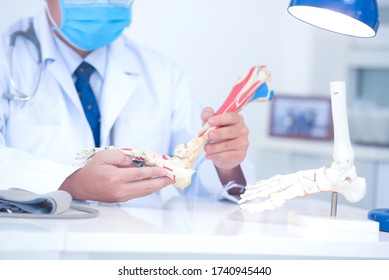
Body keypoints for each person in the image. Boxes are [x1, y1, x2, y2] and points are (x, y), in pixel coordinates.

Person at [0, 0, 256, 203]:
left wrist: (227, 165)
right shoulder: (7, 59)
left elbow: (200, 174)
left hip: (134, 256)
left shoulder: (160, 73)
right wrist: (71, 183)